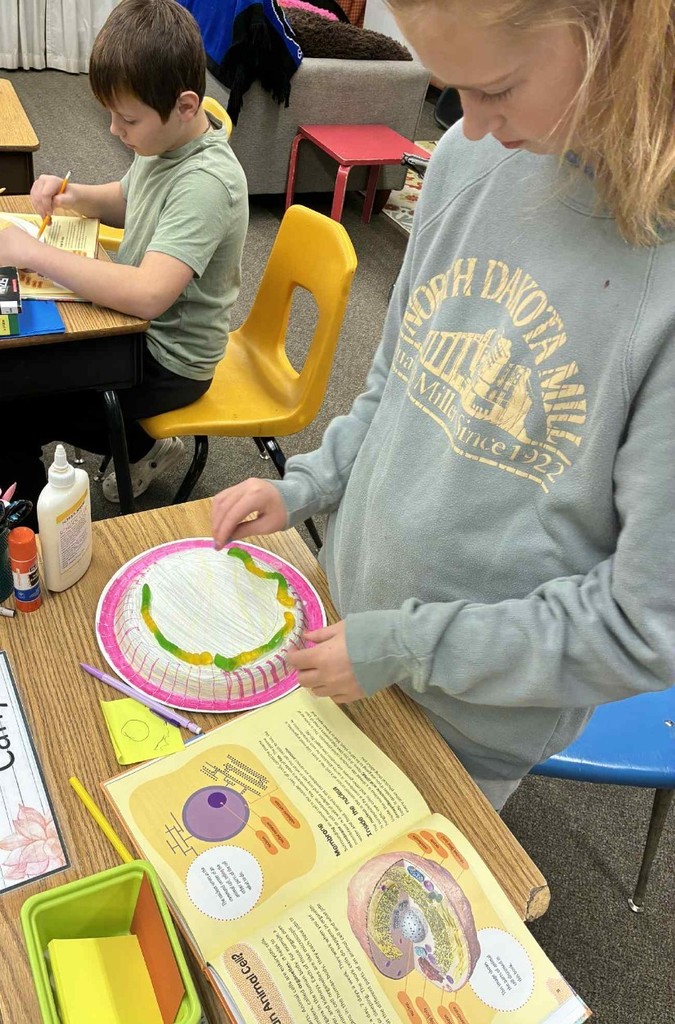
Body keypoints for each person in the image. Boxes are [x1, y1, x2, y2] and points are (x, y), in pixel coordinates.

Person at [211, 0, 675, 811]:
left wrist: (409, 645)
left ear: (613, 37)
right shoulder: (466, 159)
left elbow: (643, 624)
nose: (469, 123)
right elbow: (398, 380)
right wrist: (308, 484)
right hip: (346, 623)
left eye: (494, 88)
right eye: (447, 87)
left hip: (468, 726)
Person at [0, 0, 248, 522]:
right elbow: (128, 197)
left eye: (127, 118)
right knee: (22, 373)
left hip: (167, 360)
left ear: (185, 106)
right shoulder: (165, 144)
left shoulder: (206, 183)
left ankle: (34, 530)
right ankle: (134, 446)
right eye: (111, 115)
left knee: (15, 400)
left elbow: (148, 295)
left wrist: (34, 253)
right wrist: (73, 196)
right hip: (134, 332)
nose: (114, 130)